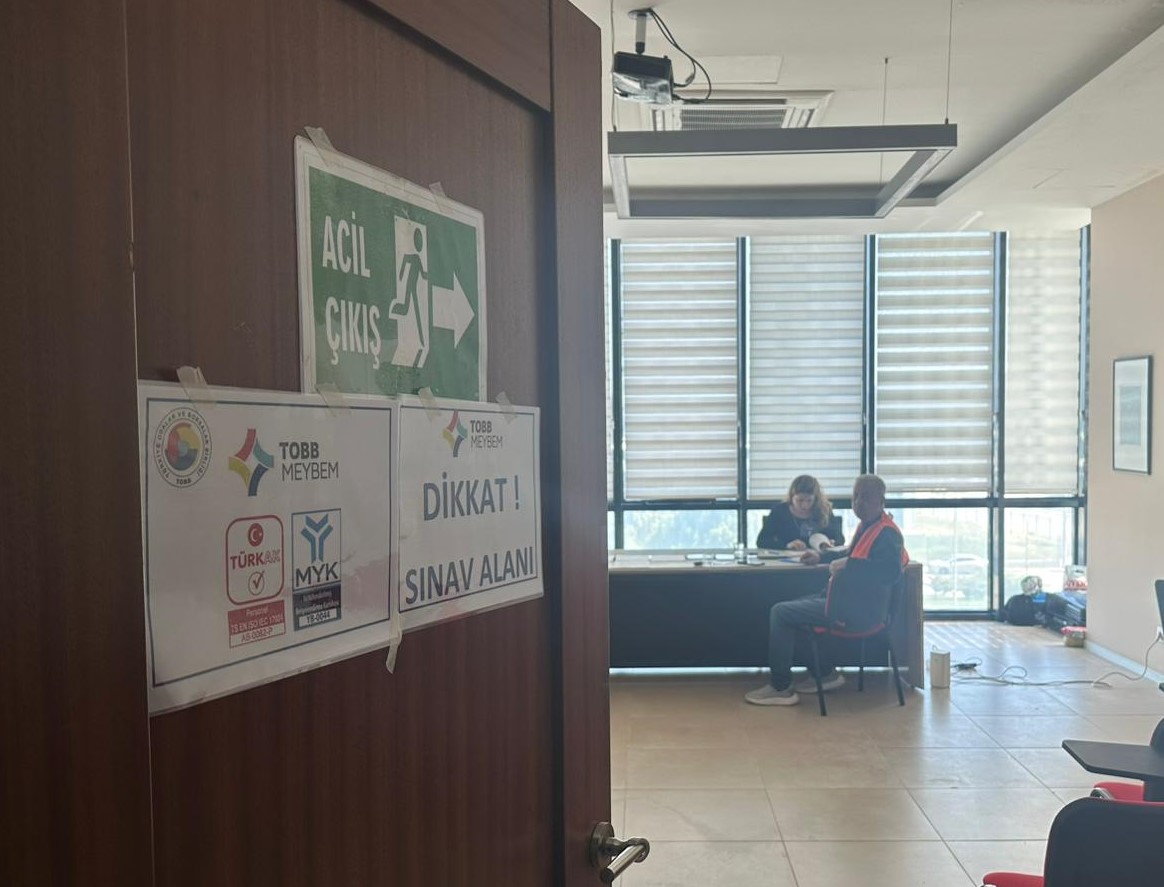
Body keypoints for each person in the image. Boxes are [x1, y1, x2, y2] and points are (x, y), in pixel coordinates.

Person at [745, 474, 908, 706]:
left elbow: (890, 571)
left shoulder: (887, 532)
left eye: (866, 497)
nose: (859, 503)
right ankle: (825, 673)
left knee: (781, 613)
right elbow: (850, 553)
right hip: (850, 601)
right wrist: (820, 556)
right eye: (855, 496)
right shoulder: (869, 526)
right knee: (794, 609)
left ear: (881, 501)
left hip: (857, 610)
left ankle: (780, 687)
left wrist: (849, 565)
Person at [756, 475, 844, 552]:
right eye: (800, 500)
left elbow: (840, 539)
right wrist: (786, 545)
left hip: (818, 560)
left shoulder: (824, 510)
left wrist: (832, 542)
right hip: (786, 559)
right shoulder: (780, 511)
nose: (804, 506)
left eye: (809, 500)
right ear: (792, 497)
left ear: (816, 499)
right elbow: (762, 541)